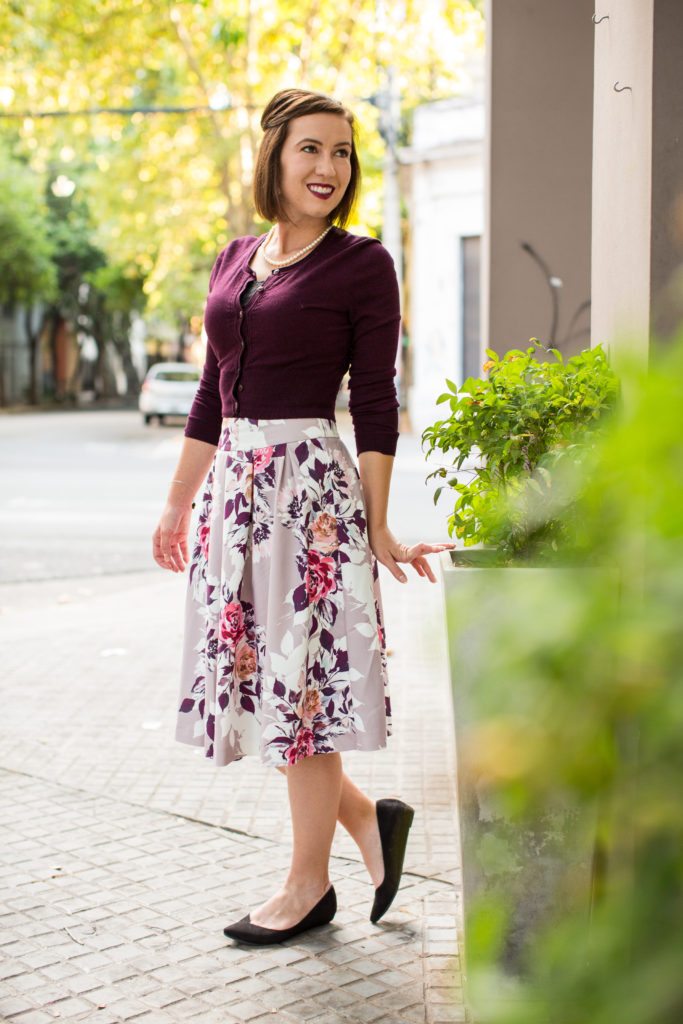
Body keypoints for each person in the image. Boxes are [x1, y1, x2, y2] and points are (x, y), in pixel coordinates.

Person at [152, 87, 455, 945]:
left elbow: (376, 402)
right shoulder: (235, 258)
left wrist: (378, 524)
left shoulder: (361, 264)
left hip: (307, 500)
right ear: (274, 158)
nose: (329, 167)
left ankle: (305, 885)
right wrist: (179, 502)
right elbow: (212, 391)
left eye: (343, 152)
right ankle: (364, 823)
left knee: (303, 693)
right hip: (235, 498)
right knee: (267, 690)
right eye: (310, 150)